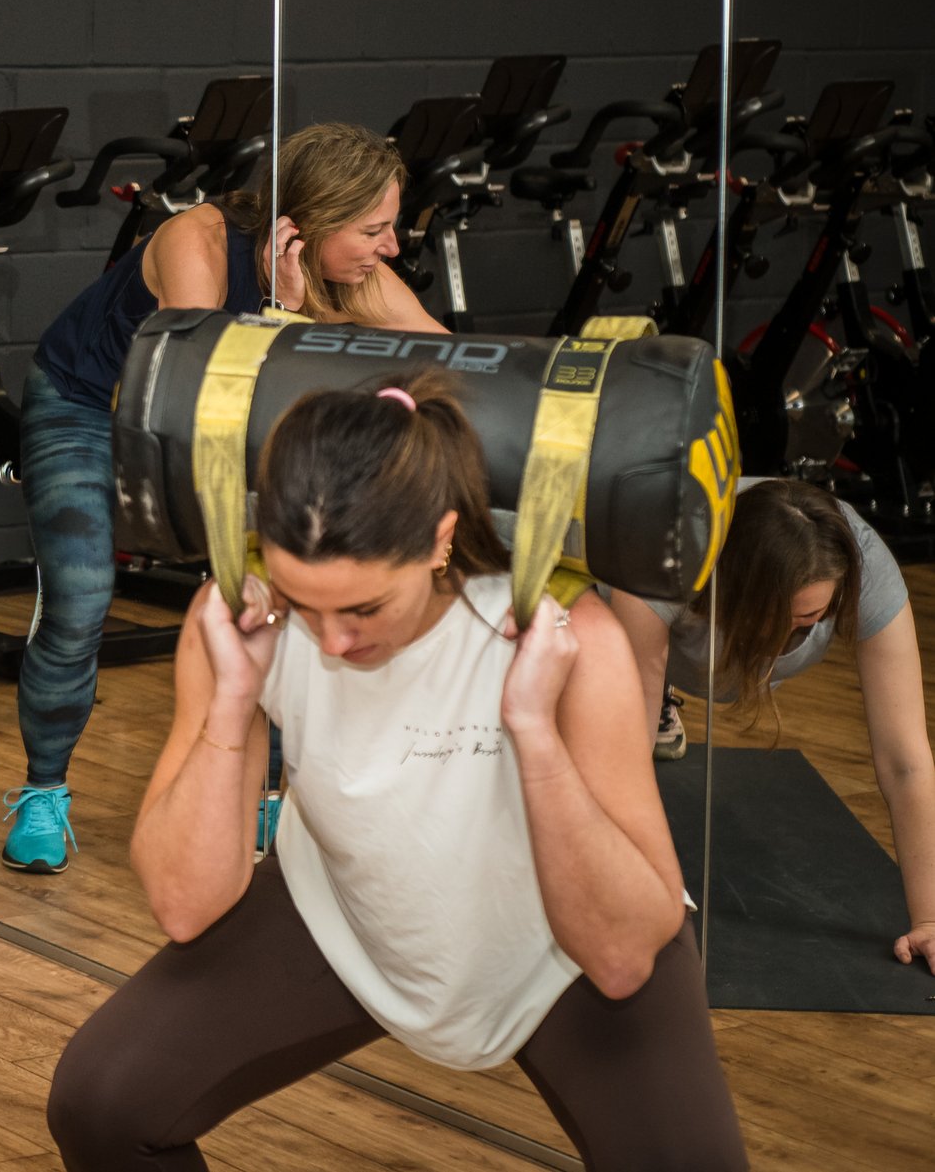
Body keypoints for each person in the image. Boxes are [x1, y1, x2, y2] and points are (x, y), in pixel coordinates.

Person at [46, 375, 746, 1171]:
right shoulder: (244, 613)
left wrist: (533, 732)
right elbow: (184, 901)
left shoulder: (567, 633)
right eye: (308, 606)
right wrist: (233, 701)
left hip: (555, 952)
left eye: (365, 609)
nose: (333, 640)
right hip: (348, 910)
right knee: (102, 1102)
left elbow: (621, 955)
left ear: (442, 538)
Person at [4, 120, 444, 872]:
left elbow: (444, 357)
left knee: (272, 594)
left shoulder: (353, 268)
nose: (392, 247)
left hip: (216, 427)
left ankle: (273, 795)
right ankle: (42, 790)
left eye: (391, 226)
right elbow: (196, 389)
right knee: (79, 597)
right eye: (374, 229)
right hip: (88, 406)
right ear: (305, 225)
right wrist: (286, 311)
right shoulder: (194, 242)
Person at [610, 476, 935, 975]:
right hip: (639, 607)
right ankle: (659, 699)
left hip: (705, 633)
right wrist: (653, 886)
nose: (787, 636)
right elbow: (622, 759)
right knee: (612, 715)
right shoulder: (665, 553)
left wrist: (931, 918)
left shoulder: (866, 569)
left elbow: (906, 761)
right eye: (773, 620)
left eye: (809, 619)